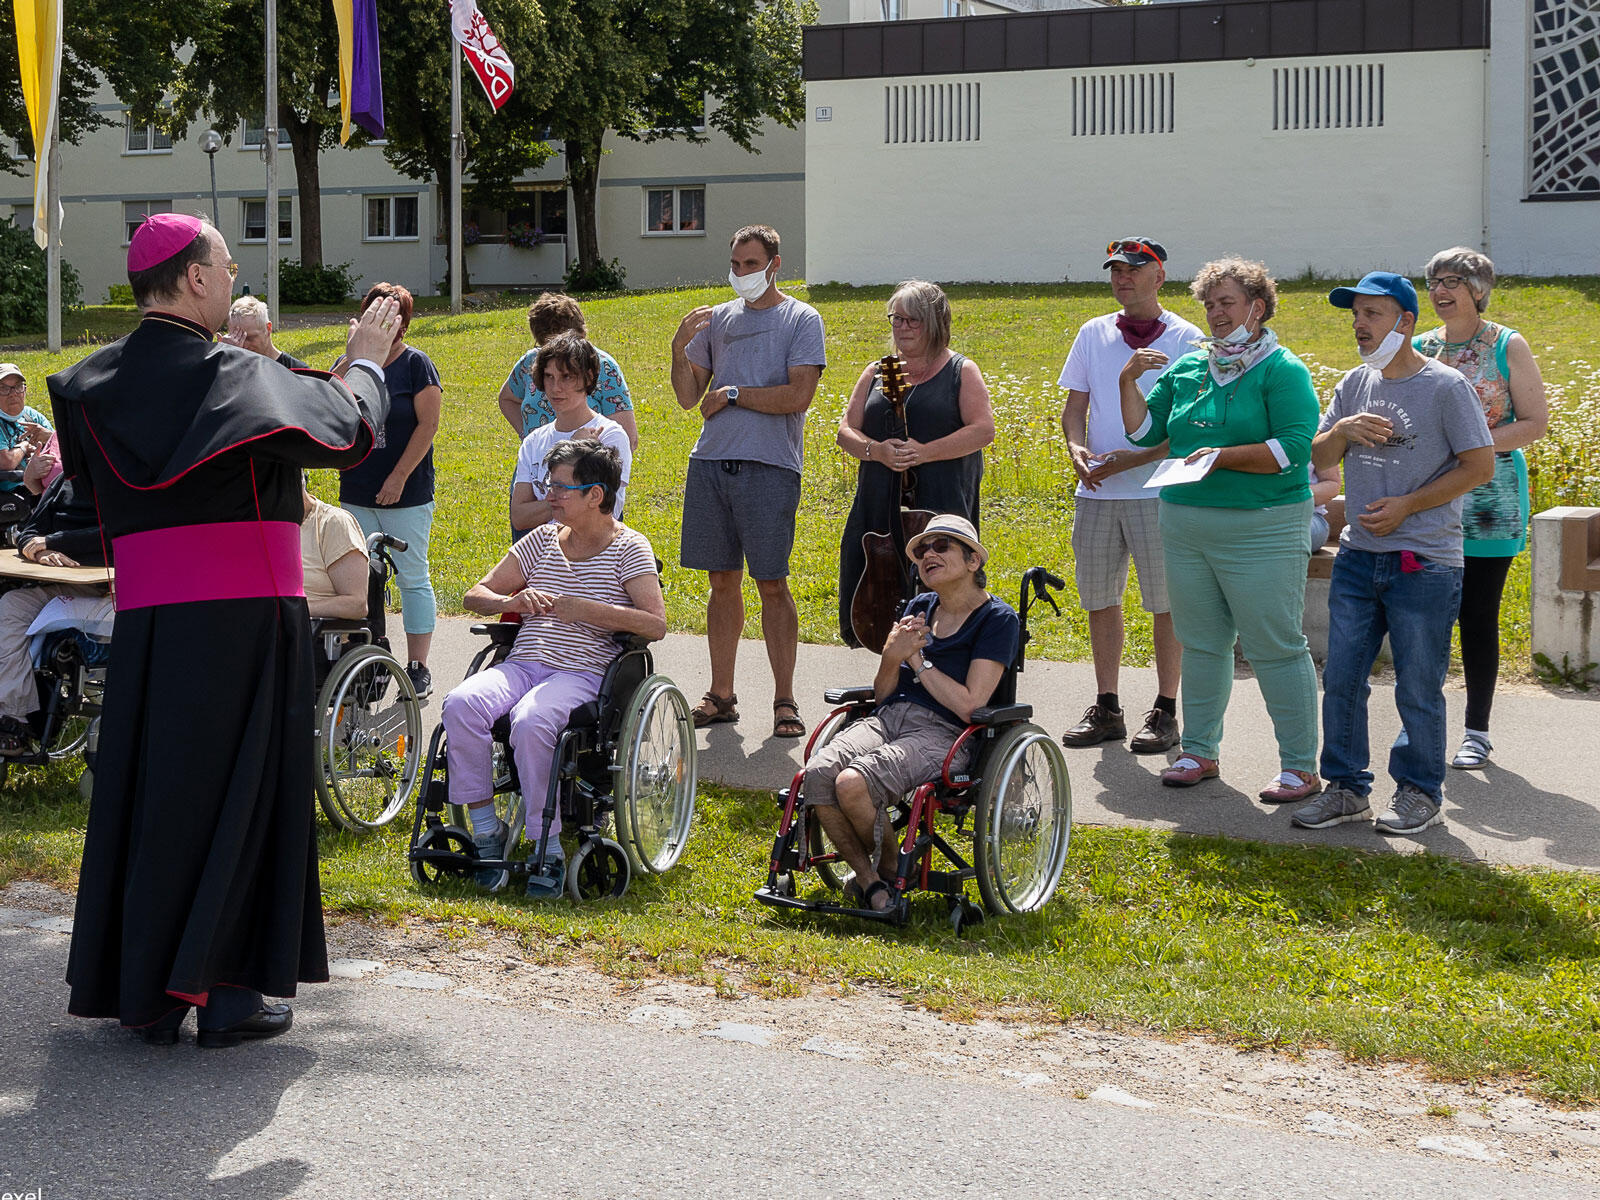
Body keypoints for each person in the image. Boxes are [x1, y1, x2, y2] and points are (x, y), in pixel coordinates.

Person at [48, 211, 396, 1046]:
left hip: (150, 626)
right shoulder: (233, 377)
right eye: (229, 264)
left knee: (153, 794)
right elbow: (347, 430)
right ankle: (233, 992)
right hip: (243, 623)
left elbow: (104, 510)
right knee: (247, 795)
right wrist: (370, 364)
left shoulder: (87, 385)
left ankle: (150, 993)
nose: (235, 276)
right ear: (196, 279)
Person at [1291, 272, 1494, 836]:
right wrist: (1343, 431)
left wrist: (1408, 505)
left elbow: (1480, 466)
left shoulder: (1446, 387)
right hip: (1359, 556)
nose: (1359, 324)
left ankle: (1419, 791)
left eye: (1372, 314)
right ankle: (1347, 789)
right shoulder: (1355, 384)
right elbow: (1320, 453)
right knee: (1344, 677)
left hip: (1424, 562)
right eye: (1355, 314)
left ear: (1405, 323)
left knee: (1417, 683)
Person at [1118, 258, 1322, 801]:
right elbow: (1142, 433)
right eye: (1209, 304)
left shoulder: (1283, 370)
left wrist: (1223, 457)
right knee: (1202, 643)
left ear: (1257, 308)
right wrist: (1128, 381)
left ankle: (1300, 766)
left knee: (1276, 646)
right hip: (1184, 525)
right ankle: (1199, 751)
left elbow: (1293, 450)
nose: (1215, 313)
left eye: (1226, 303)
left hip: (1263, 527)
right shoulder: (1189, 367)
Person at [441, 439, 665, 898]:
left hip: (583, 673)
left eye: (562, 488)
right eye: (549, 485)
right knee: (461, 703)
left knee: (533, 720)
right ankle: (486, 834)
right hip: (525, 663)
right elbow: (473, 594)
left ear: (595, 495)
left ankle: (547, 844)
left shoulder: (630, 549)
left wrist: (590, 610)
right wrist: (512, 601)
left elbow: (655, 624)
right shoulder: (541, 539)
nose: (550, 496)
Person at [803, 515, 1018, 913]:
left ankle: (887, 865)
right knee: (817, 773)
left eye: (942, 547)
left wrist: (917, 662)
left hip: (945, 734)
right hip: (889, 717)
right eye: (922, 550)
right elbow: (883, 692)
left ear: (973, 562)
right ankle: (873, 879)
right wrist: (891, 657)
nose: (928, 555)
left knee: (852, 784)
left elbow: (971, 704)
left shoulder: (997, 620)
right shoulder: (921, 606)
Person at [670, 223, 826, 739]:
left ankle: (784, 699)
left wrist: (734, 393)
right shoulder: (718, 320)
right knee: (721, 583)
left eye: (751, 264)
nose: (741, 274)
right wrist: (679, 348)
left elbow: (797, 396)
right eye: (735, 265)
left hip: (770, 467)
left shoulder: (801, 318)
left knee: (772, 584)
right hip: (712, 463)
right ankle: (722, 695)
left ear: (774, 264)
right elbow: (690, 397)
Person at [1058, 238, 1202, 755]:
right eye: (1116, 270)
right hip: (1096, 493)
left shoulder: (1188, 339)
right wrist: (1077, 449)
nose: (1123, 278)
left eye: (1134, 270)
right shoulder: (1093, 333)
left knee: (1167, 605)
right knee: (1101, 600)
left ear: (1159, 277)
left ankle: (1165, 709)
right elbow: (1076, 406)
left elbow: (1189, 428)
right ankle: (1108, 705)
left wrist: (1133, 460)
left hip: (1159, 492)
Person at [1413, 248, 1548, 770]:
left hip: (1490, 500)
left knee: (1477, 614)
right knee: (1425, 613)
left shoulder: (1506, 344)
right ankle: (1424, 723)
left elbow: (1533, 422)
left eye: (1453, 281)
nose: (1441, 291)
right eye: (1434, 282)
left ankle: (1477, 730)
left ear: (1478, 289)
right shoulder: (1419, 347)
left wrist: (1471, 448)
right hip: (1429, 495)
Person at [835, 280, 995, 648]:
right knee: (878, 599)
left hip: (939, 503)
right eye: (897, 319)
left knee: (941, 599)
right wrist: (877, 451)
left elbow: (982, 430)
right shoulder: (878, 370)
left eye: (912, 320)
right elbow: (846, 432)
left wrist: (924, 452)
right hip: (881, 511)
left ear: (936, 323)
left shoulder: (960, 371)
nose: (902, 327)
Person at [336, 282, 441, 698]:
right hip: (357, 490)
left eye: (393, 313)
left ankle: (418, 667)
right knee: (362, 580)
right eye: (375, 310)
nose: (383, 319)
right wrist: (350, 357)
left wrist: (398, 477)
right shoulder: (350, 363)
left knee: (412, 578)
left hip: (406, 492)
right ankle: (370, 661)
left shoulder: (417, 364)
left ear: (404, 322)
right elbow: (332, 407)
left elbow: (428, 426)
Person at [0, 472, 108, 756]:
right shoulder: (66, 482)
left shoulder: (130, 480)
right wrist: (38, 551)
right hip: (62, 584)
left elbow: (122, 532)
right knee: (10, 605)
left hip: (111, 587)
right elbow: (29, 532)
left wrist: (56, 541)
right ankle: (15, 719)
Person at [510, 332, 633, 535]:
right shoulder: (533, 442)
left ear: (589, 378)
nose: (555, 387)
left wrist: (572, 455)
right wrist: (573, 458)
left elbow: (605, 512)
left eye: (566, 377)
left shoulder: (610, 436)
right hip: (542, 558)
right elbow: (520, 517)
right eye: (549, 377)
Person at [497, 291, 639, 450]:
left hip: (582, 468)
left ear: (581, 335)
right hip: (534, 467)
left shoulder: (604, 367)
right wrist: (528, 438)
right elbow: (507, 399)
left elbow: (628, 439)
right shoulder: (530, 362)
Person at [302, 478, 369, 621]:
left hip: (312, 634)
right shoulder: (253, 524)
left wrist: (293, 610)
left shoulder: (333, 522)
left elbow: (356, 604)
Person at [0, 363, 53, 520]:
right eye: (4, 388)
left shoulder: (33, 416)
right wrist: (24, 446)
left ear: (25, 390)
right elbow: (5, 462)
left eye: (18, 387)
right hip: (11, 490)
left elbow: (61, 448)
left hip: (39, 486)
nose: (13, 394)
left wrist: (48, 436)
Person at [223, 295, 308, 370]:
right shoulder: (227, 368)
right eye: (236, 338)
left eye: (249, 338)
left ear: (268, 328)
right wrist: (224, 358)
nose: (242, 345)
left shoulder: (298, 372)